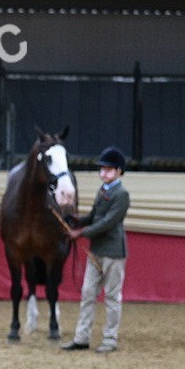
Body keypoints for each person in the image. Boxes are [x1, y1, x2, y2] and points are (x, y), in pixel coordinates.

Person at [61, 146, 131, 354]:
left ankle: (110, 339)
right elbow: (95, 216)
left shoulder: (122, 194)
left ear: (119, 171)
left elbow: (108, 222)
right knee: (88, 294)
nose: (103, 173)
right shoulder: (103, 191)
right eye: (102, 169)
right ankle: (81, 337)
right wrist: (78, 220)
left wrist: (80, 232)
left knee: (111, 297)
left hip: (113, 252)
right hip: (97, 250)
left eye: (108, 170)